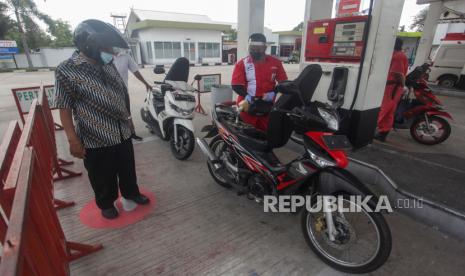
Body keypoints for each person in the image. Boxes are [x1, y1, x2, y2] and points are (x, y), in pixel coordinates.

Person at [55, 19, 149, 219]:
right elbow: (64, 107)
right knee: (102, 174)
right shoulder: (67, 70)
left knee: (127, 168)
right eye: (106, 47)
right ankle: (106, 203)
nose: (111, 52)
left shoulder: (107, 64)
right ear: (90, 45)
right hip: (95, 135)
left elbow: (121, 92)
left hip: (122, 130)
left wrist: (129, 118)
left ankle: (131, 192)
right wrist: (73, 140)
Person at [231, 33, 287, 131]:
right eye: (252, 48)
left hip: (268, 105)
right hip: (247, 104)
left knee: (266, 133)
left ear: (265, 48)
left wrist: (274, 93)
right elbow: (236, 85)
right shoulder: (242, 64)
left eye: (259, 48)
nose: (255, 51)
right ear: (248, 48)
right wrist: (247, 96)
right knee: (246, 133)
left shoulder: (276, 63)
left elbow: (284, 83)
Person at [375, 38, 409, 142]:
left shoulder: (397, 56)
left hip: (392, 88)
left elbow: (397, 73)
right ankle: (383, 133)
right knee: (389, 112)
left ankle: (367, 131)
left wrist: (403, 86)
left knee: (382, 110)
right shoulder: (396, 54)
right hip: (393, 87)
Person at [113, 49, 152, 141]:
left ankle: (131, 133)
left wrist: (146, 83)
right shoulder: (103, 56)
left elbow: (135, 71)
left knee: (127, 114)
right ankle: (116, 135)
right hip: (108, 92)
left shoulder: (125, 56)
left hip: (123, 91)